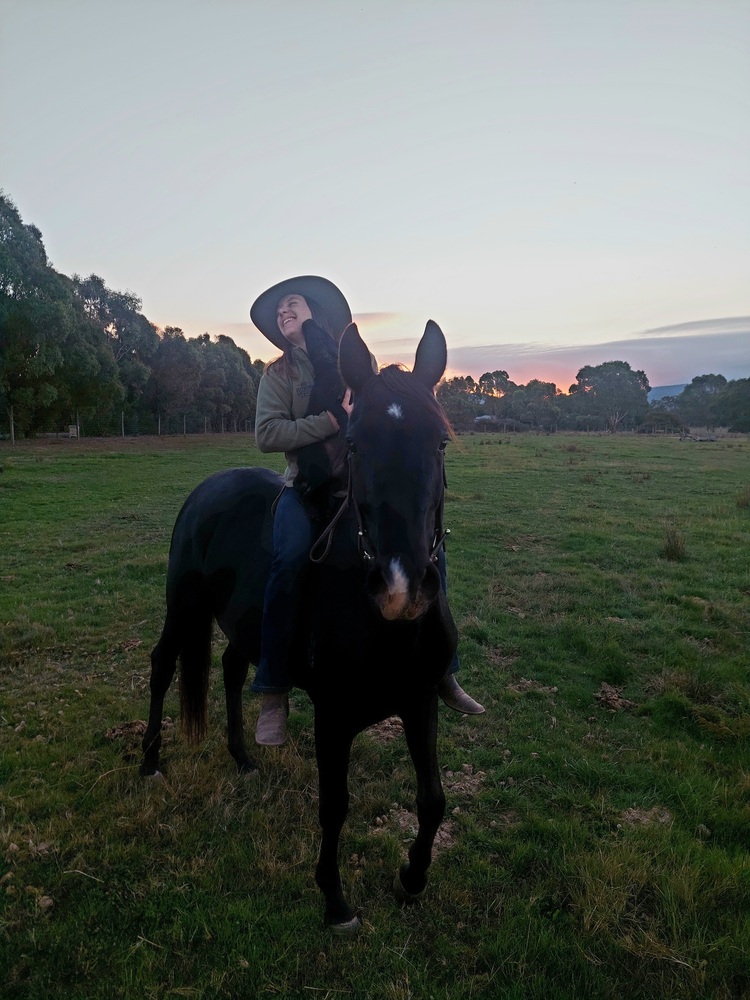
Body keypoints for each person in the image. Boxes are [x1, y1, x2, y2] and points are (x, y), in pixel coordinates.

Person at [250, 275, 484, 746]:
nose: (283, 312)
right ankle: (273, 687)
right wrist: (332, 420)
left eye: (291, 304)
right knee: (289, 555)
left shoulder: (359, 365)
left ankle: (444, 671)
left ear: (315, 310)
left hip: (356, 484)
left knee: (431, 549)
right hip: (306, 487)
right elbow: (267, 435)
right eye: (278, 311)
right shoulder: (278, 377)